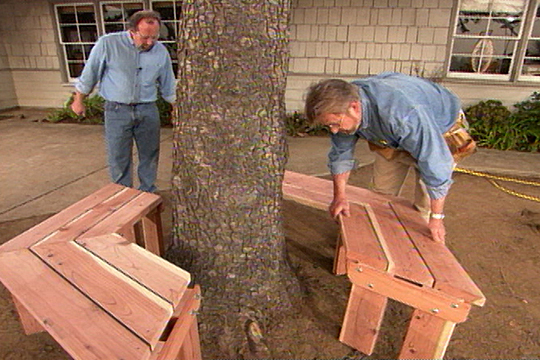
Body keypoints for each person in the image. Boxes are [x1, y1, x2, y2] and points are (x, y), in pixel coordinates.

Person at [304, 72, 475, 244]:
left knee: (425, 205)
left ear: (354, 107)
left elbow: (435, 164)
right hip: (390, 136)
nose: (333, 130)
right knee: (380, 195)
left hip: (439, 129)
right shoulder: (342, 106)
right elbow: (341, 154)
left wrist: (437, 218)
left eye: (335, 124)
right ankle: (378, 244)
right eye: (329, 126)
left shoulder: (402, 114)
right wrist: (339, 196)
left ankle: (417, 254)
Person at [71, 10, 176, 193]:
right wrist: (79, 99)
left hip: (148, 109)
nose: (150, 42)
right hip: (117, 110)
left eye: (155, 37)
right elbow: (90, 73)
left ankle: (147, 194)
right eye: (145, 37)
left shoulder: (160, 51)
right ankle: (123, 195)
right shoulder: (108, 44)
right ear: (132, 31)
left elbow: (168, 84)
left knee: (150, 155)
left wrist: (175, 108)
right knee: (119, 157)